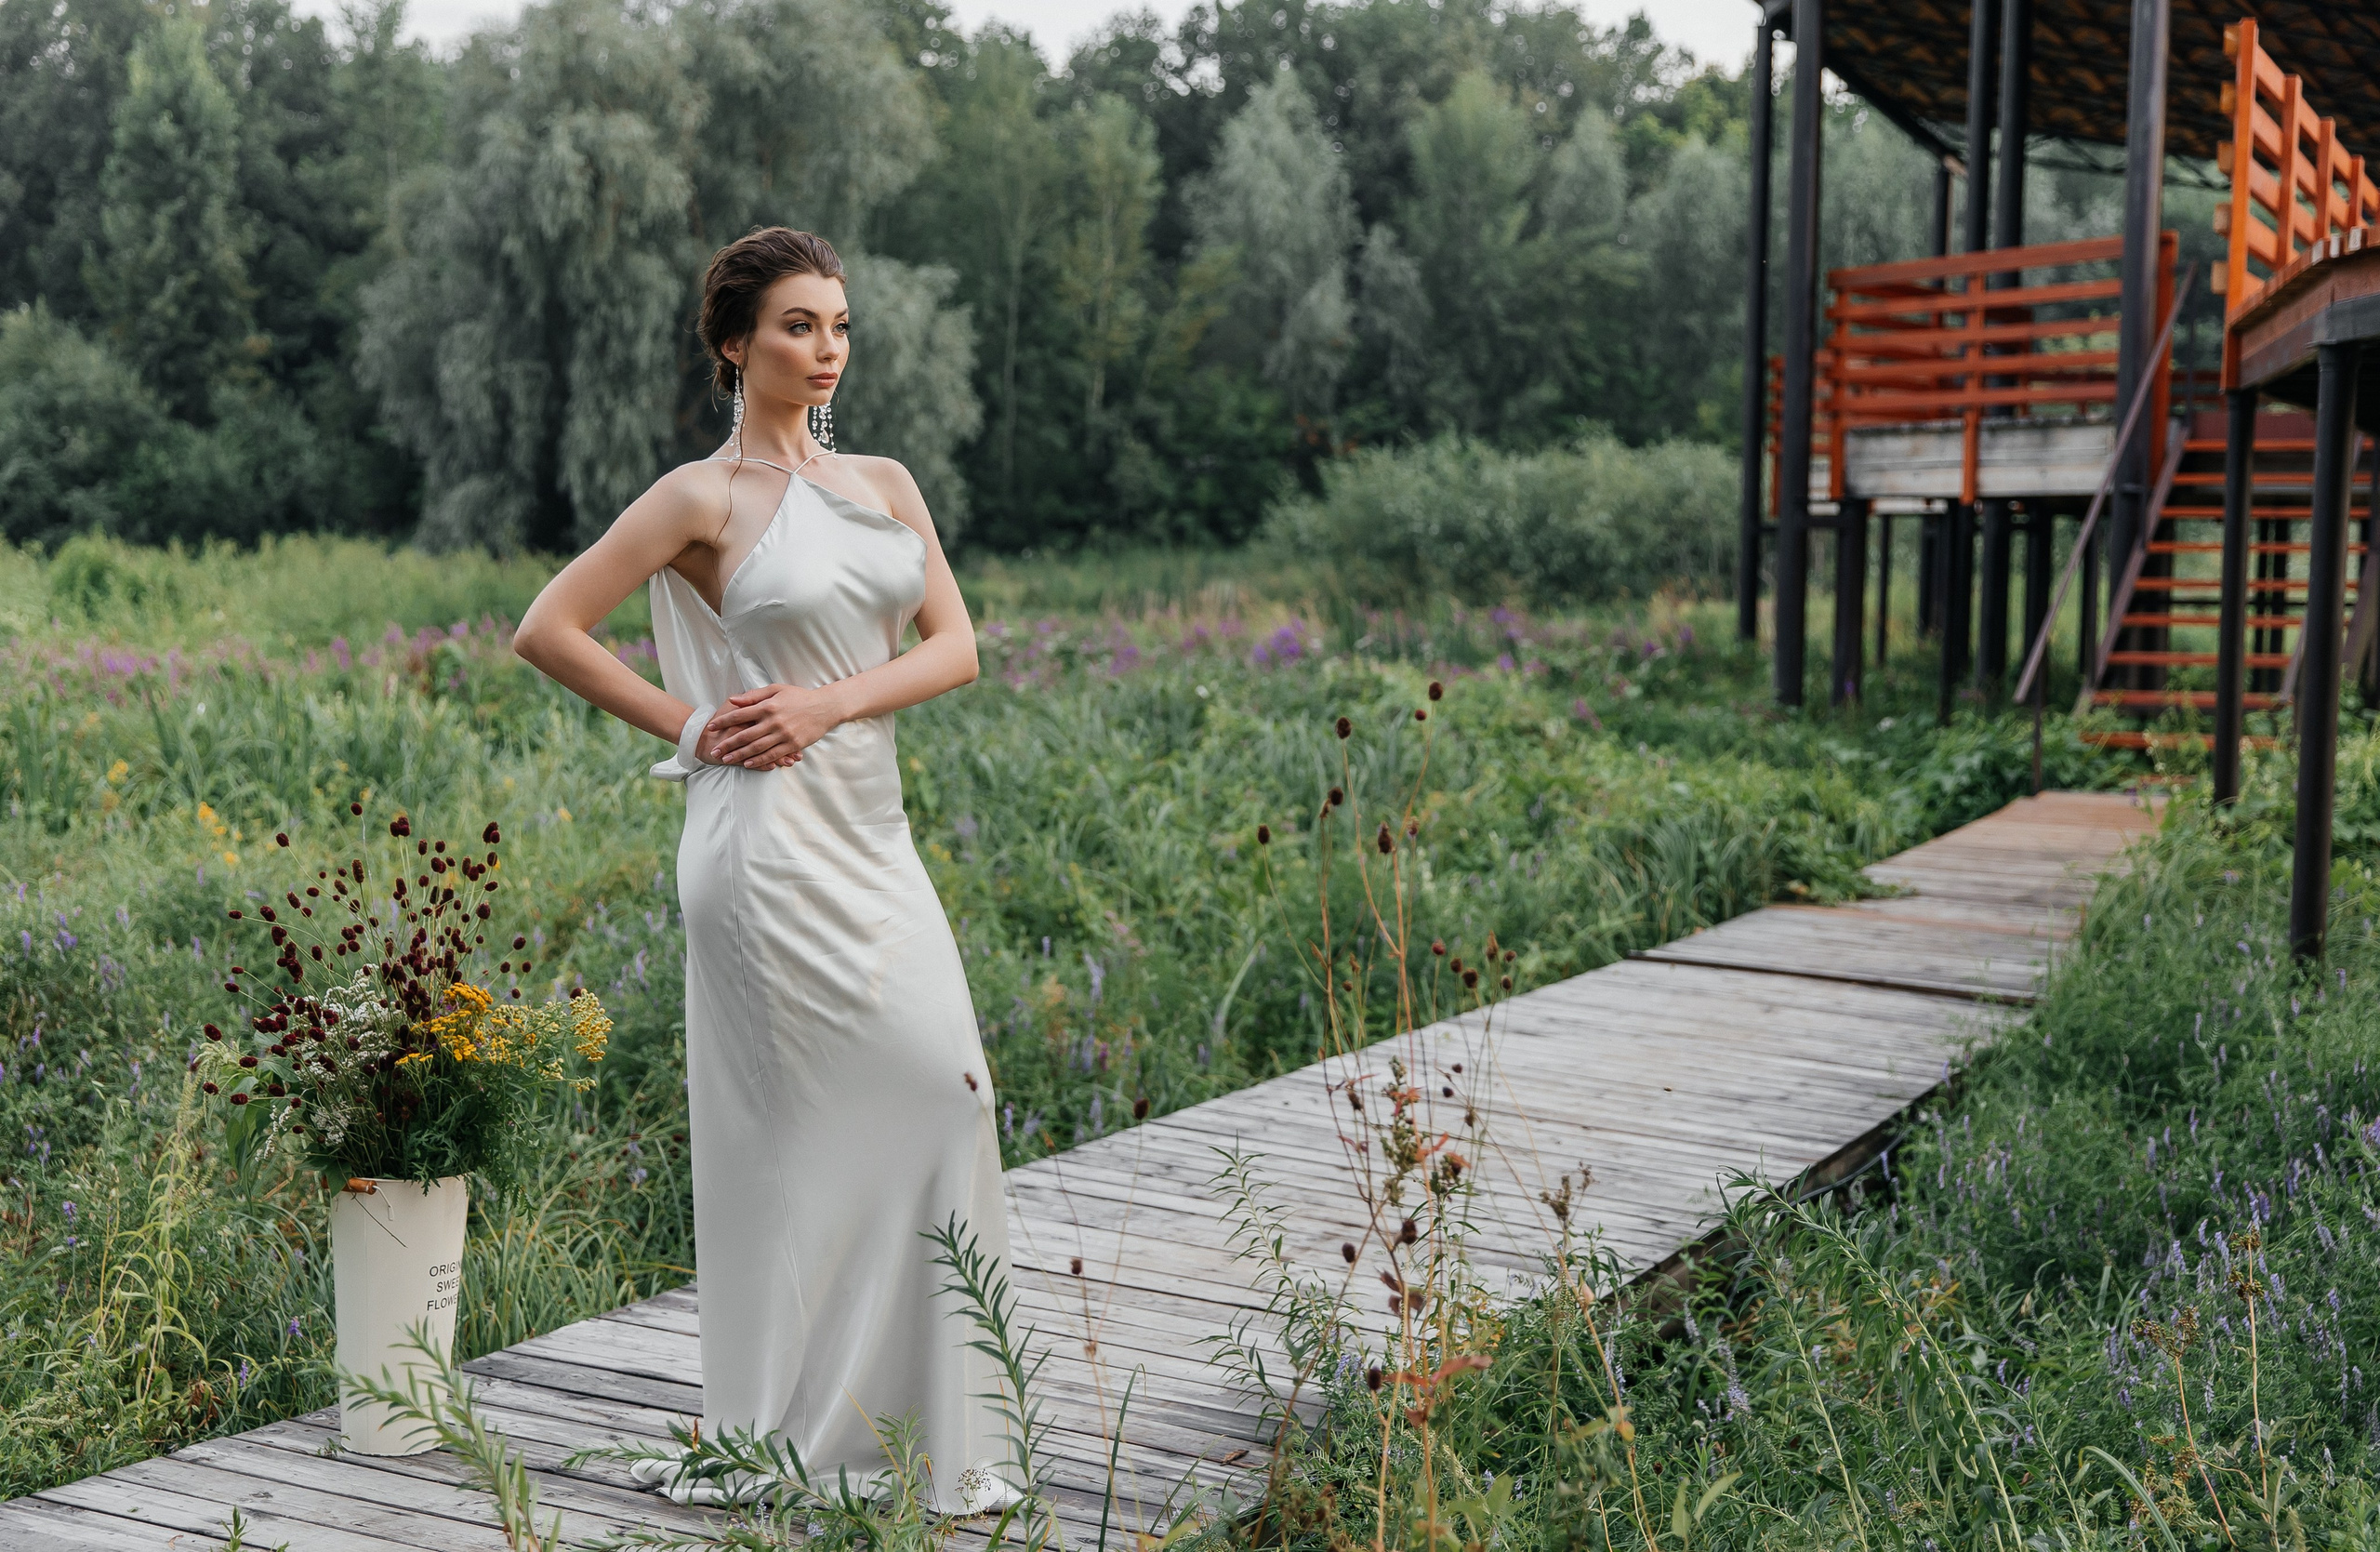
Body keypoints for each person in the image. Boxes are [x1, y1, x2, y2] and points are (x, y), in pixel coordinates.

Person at [512, 226, 1022, 1518]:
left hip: (872, 837)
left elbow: (956, 646)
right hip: (764, 853)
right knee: (793, 1145)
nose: (827, 348)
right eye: (799, 325)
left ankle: (920, 1436)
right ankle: (796, 1433)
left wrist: (827, 704)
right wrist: (693, 727)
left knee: (950, 1095)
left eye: (839, 324)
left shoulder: (886, 484)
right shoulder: (700, 499)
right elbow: (548, 627)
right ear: (737, 343)